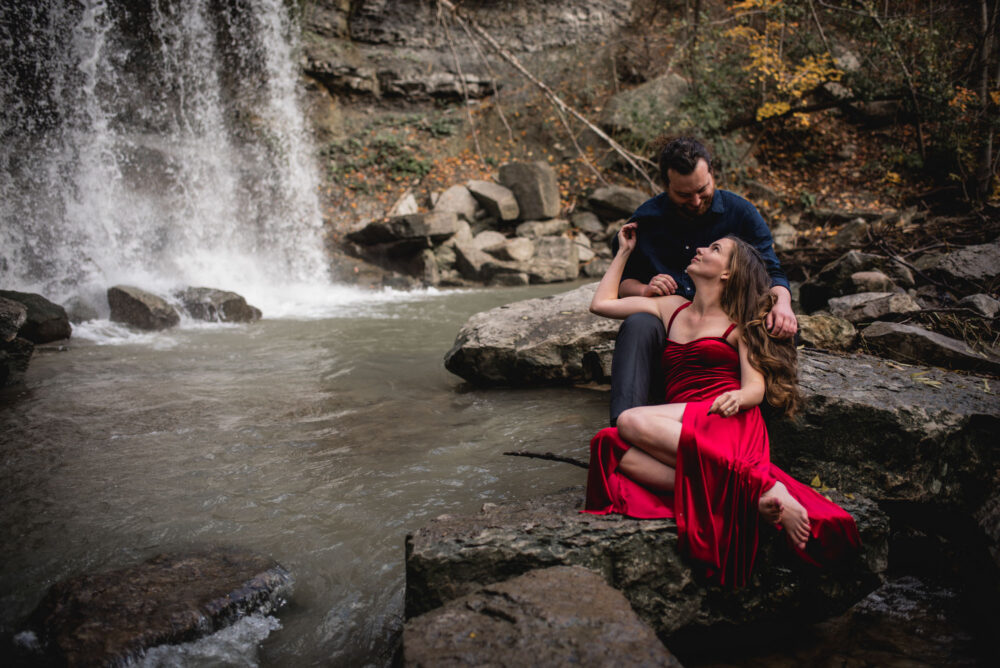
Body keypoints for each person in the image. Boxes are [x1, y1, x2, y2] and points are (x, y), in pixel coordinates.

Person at [584, 222, 859, 587]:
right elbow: (600, 304)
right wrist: (624, 252)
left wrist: (739, 398)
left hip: (722, 418)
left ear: (729, 271)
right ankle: (749, 499)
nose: (700, 250)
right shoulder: (672, 308)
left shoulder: (740, 322)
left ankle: (763, 484)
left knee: (629, 421)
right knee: (606, 446)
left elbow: (755, 388)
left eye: (714, 249)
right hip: (679, 424)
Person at [609, 136, 797, 426]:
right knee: (637, 324)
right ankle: (622, 427)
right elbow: (622, 286)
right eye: (684, 195)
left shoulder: (741, 213)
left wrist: (782, 303)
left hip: (727, 320)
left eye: (702, 190)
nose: (695, 202)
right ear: (666, 186)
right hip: (671, 324)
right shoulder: (646, 220)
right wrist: (646, 289)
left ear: (712, 174)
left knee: (771, 327)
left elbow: (772, 270)